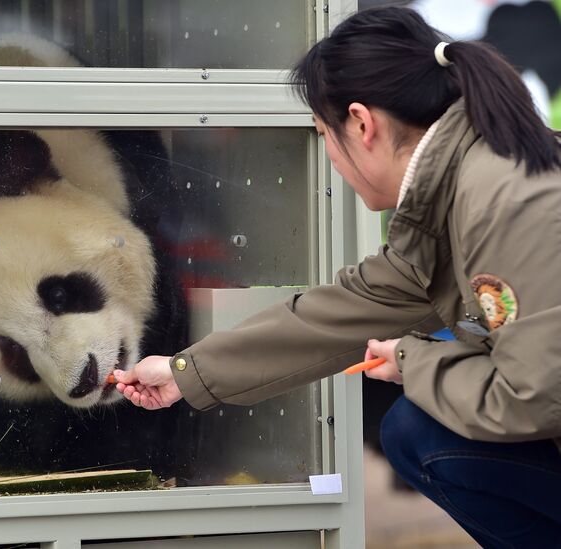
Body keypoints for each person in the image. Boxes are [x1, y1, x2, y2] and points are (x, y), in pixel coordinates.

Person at [114, 7, 561, 548]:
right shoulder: (459, 189)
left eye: (323, 132)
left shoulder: (506, 202)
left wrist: (410, 360)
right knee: (414, 432)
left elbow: (535, 395)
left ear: (361, 123)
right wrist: (186, 371)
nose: (328, 154)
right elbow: (346, 310)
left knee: (418, 433)